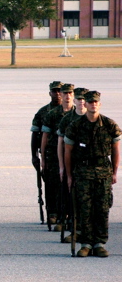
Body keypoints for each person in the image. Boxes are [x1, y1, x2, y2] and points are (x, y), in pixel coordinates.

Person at [64, 91, 120, 258]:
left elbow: (116, 150)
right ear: (85, 104)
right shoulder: (76, 126)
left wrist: (114, 173)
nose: (93, 105)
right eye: (90, 102)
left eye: (96, 102)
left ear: (99, 104)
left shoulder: (109, 125)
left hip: (103, 172)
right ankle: (86, 244)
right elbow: (68, 152)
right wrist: (69, 175)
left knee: (102, 209)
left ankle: (99, 243)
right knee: (84, 210)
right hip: (83, 173)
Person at [57, 87, 89, 243]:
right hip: (74, 165)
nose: (82, 101)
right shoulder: (67, 119)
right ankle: (73, 229)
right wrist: (62, 167)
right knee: (71, 198)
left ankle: (89, 232)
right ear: (75, 101)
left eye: (84, 99)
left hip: (91, 166)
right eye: (79, 98)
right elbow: (60, 143)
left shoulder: (98, 120)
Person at [41, 83, 74, 230]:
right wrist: (40, 157)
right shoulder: (50, 114)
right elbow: (42, 136)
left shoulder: (79, 114)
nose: (64, 96)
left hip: (75, 156)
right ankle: (55, 213)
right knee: (54, 185)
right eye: (62, 92)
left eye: (69, 93)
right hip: (54, 155)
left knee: (71, 187)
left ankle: (69, 216)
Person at [31, 81, 62, 225]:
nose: (57, 94)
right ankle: (52, 212)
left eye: (60, 91)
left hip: (66, 155)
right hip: (49, 155)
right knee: (50, 184)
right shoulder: (43, 112)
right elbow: (35, 134)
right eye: (54, 91)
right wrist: (34, 156)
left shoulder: (72, 112)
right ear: (50, 93)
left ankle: (65, 213)